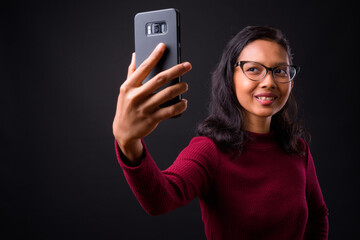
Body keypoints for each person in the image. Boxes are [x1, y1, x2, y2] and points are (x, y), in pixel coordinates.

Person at [112, 26, 329, 239]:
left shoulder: (298, 149)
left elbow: (318, 216)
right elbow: (161, 199)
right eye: (253, 69)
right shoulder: (209, 150)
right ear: (230, 76)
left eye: (280, 71)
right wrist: (128, 142)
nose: (269, 82)